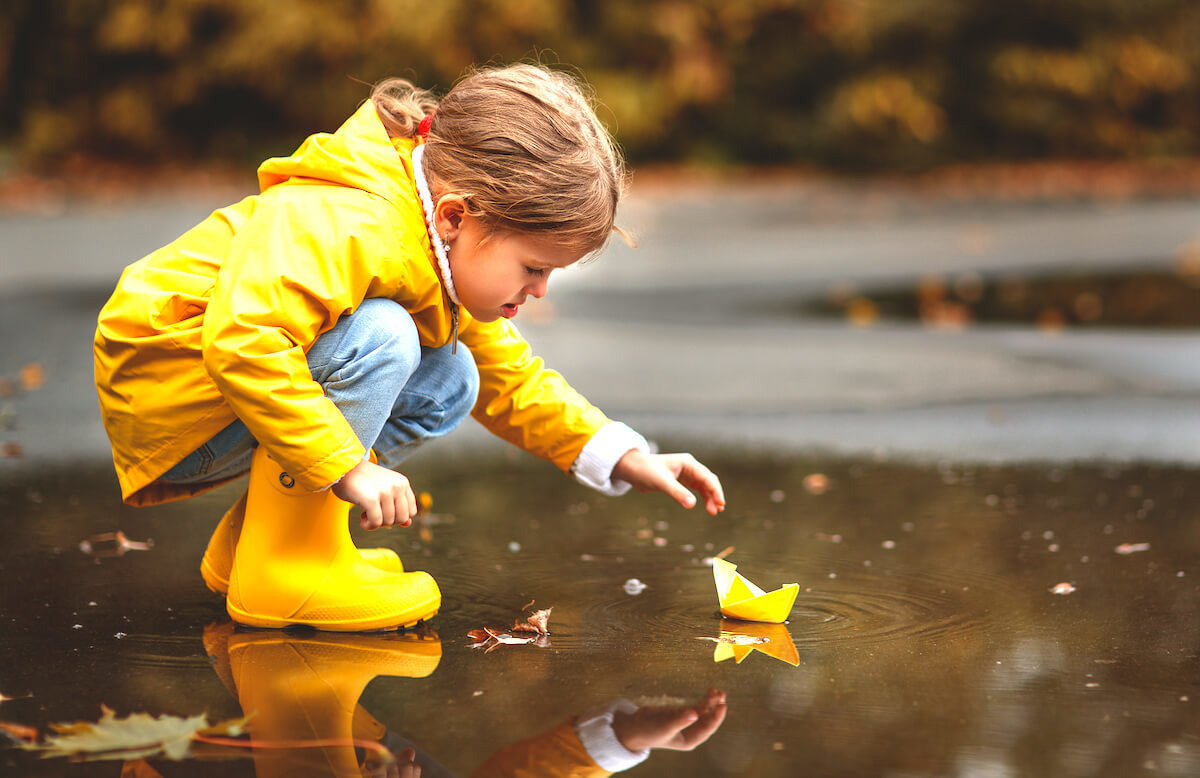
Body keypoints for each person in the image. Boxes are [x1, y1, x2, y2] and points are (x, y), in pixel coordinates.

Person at [93, 63, 726, 632]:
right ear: (456, 217)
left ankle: (258, 546)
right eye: (534, 267)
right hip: (174, 395)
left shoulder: (431, 239)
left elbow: (509, 376)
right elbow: (244, 340)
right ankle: (284, 570)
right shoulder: (352, 220)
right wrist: (347, 466)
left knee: (454, 376)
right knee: (385, 335)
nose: (539, 289)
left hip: (223, 389)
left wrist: (620, 455)